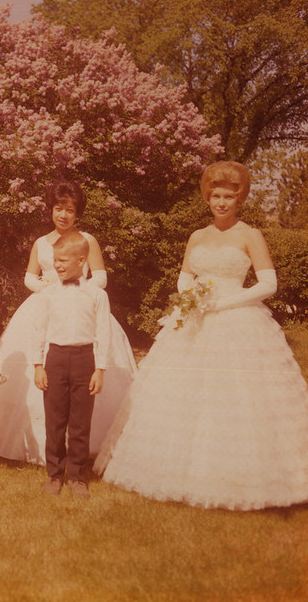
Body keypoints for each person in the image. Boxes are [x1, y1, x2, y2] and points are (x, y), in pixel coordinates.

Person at [95, 161, 308, 510]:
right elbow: (185, 275)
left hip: (237, 320)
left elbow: (269, 284)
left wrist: (224, 304)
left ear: (239, 199)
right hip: (195, 319)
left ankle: (243, 480)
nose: (221, 202)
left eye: (228, 196)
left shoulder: (249, 235)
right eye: (215, 196)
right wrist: (189, 297)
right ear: (207, 199)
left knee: (235, 401)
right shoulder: (198, 236)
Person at [0, 180, 135, 462]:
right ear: (50, 210)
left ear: (77, 213)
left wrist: (79, 284)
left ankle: (83, 451)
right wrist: (50, 286)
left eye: (69, 210)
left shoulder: (87, 240)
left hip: (81, 308)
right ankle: (43, 450)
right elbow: (29, 277)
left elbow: (100, 276)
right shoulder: (42, 243)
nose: (63, 215)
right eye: (58, 209)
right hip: (46, 305)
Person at [32, 232, 111, 499]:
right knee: (54, 421)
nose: (58, 266)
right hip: (54, 359)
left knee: (80, 422)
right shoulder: (48, 293)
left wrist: (99, 369)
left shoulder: (96, 295)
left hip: (84, 359)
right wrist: (37, 365)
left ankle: (77, 476)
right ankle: (54, 474)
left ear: (81, 260)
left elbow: (103, 333)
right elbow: (38, 330)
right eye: (55, 260)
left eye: (63, 261)